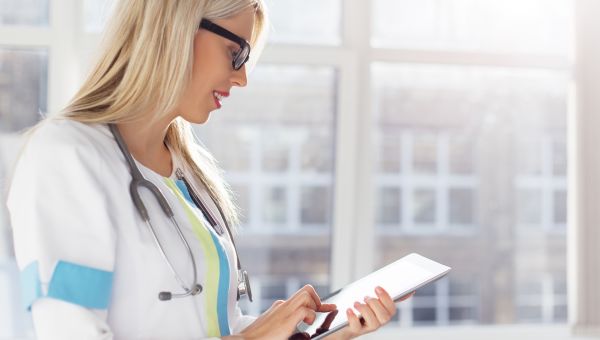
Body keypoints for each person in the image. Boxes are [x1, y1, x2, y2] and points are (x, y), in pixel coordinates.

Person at [6, 1, 410, 339]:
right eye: (237, 53)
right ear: (176, 28)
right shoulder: (66, 156)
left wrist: (326, 330)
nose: (243, 78)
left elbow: (213, 327)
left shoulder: (188, 171)